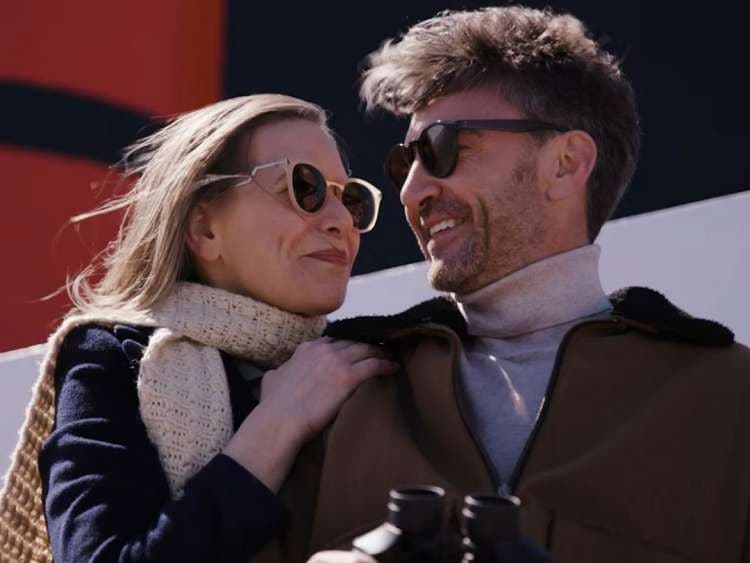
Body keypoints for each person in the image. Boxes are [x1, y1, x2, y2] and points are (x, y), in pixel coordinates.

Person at [300, 7, 750, 563]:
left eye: (442, 148)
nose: (412, 192)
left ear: (565, 164)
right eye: (402, 164)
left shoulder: (730, 400)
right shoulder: (335, 390)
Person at [0, 93, 397, 563]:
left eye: (350, 198)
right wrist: (277, 425)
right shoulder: (116, 356)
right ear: (205, 229)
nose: (339, 221)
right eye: (304, 188)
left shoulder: (377, 363)